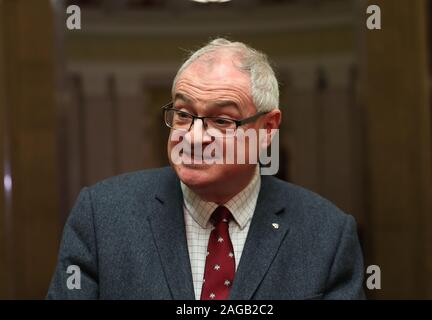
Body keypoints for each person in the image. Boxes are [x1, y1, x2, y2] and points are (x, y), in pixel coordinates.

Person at [47, 38, 365, 300]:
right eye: (183, 114)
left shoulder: (326, 236)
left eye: (221, 120)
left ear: (267, 129)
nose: (194, 137)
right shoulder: (102, 218)